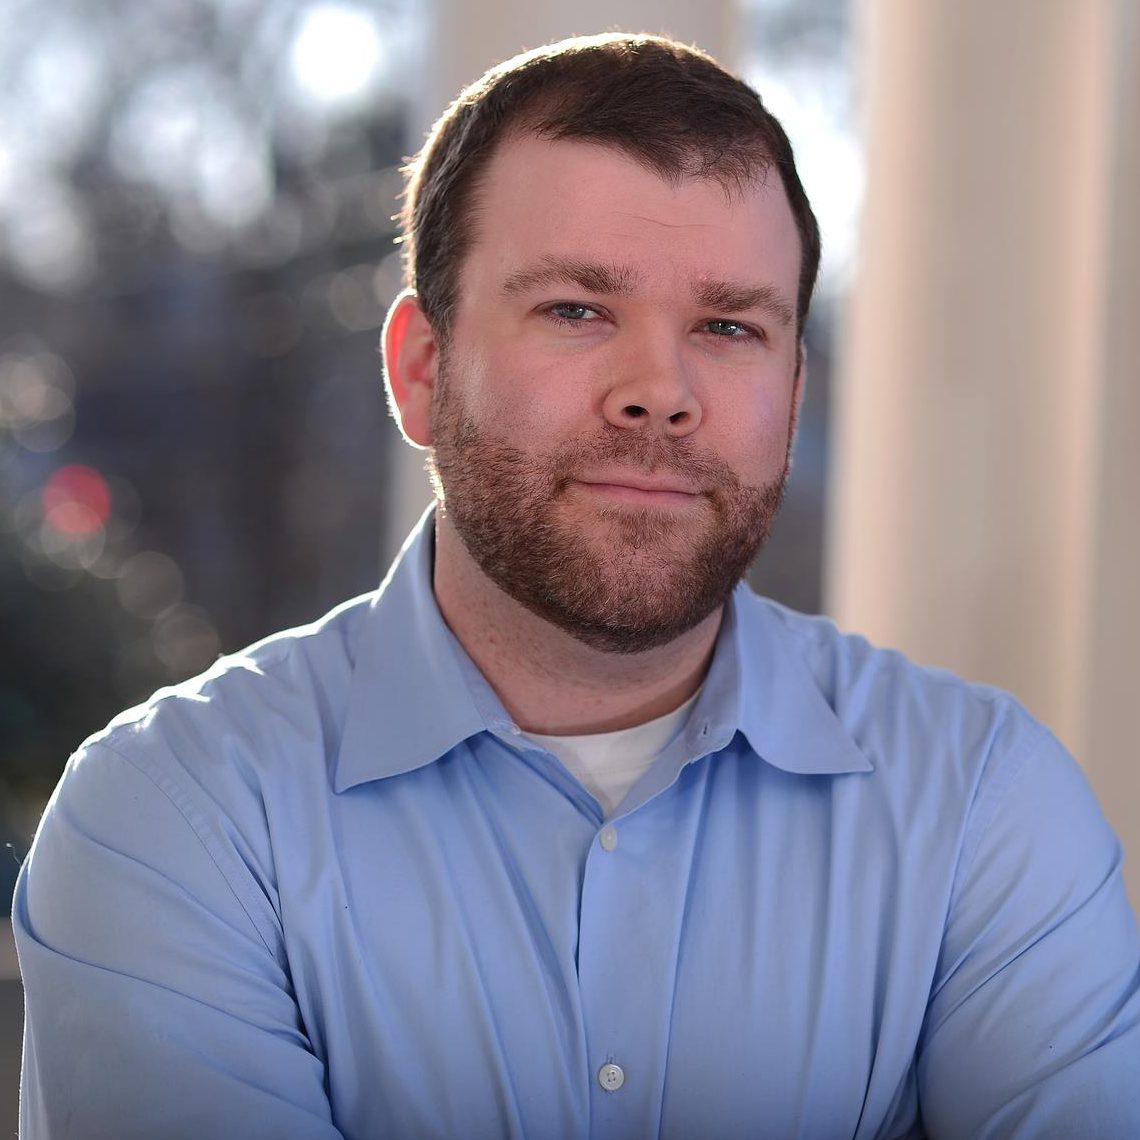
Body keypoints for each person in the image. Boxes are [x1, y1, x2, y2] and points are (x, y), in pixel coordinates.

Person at [12, 31, 1140, 1140]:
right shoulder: (177, 816)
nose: (661, 390)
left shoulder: (987, 812)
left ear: (793, 393)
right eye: (576, 310)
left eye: (729, 325)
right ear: (420, 371)